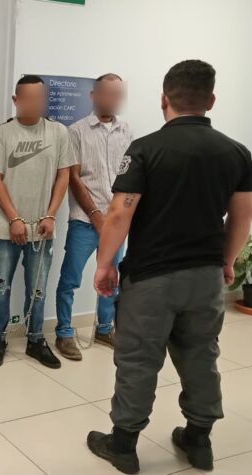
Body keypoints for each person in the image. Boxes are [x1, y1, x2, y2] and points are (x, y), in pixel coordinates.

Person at [87, 60, 252, 474]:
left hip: (152, 278)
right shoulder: (237, 152)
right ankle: (199, 439)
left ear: (165, 99)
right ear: (211, 100)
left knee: (138, 360)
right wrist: (226, 261)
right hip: (205, 278)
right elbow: (243, 216)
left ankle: (124, 445)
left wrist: (105, 264)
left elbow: (119, 214)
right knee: (201, 355)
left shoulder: (146, 149)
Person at [0, 75, 74, 369]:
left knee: (38, 289)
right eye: (29, 98)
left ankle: (36, 340)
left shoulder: (58, 132)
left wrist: (50, 214)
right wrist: (14, 218)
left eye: (40, 97)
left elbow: (64, 175)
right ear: (16, 100)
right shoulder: (2, 133)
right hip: (6, 227)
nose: (36, 103)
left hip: (43, 227)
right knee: (0, 286)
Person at [54, 74, 133, 360]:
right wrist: (95, 214)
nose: (112, 99)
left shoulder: (127, 131)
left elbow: (131, 176)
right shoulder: (76, 131)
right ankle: (64, 332)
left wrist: (121, 214)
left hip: (116, 222)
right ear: (94, 95)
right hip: (84, 222)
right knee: (70, 279)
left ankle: (104, 328)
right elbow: (74, 178)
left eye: (117, 94)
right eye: (107, 93)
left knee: (110, 278)